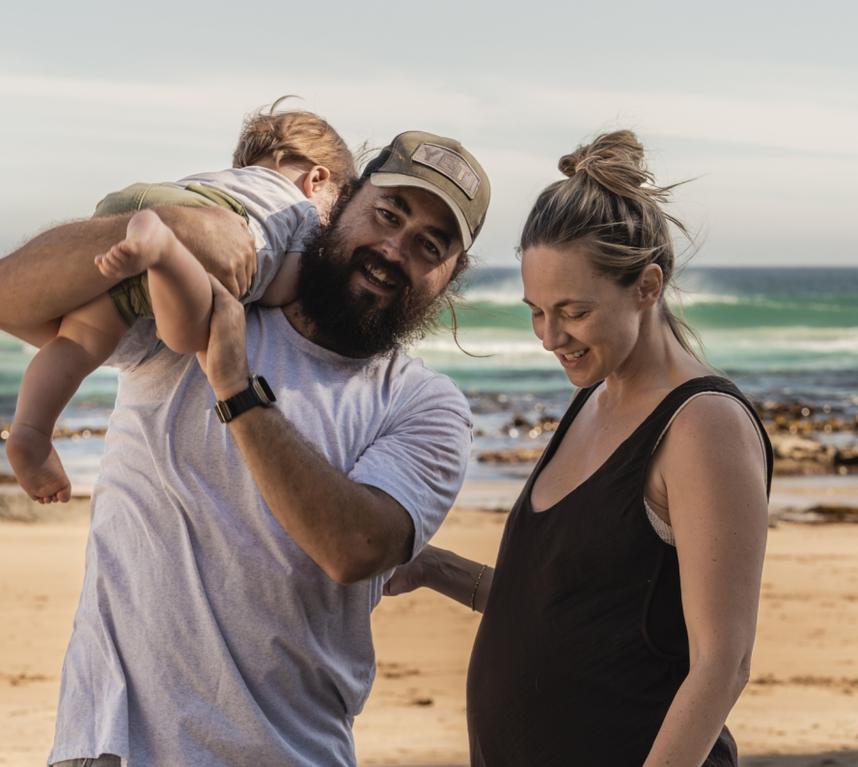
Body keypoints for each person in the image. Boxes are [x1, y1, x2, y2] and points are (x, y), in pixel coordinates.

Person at [0, 129, 490, 766]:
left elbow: (355, 547)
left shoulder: (425, 405)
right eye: (388, 213)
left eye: (431, 245)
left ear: (451, 277)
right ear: (341, 204)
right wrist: (176, 226)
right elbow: (13, 295)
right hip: (116, 746)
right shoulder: (207, 299)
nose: (394, 250)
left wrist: (235, 385)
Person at [385, 130, 773, 766]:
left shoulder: (703, 426)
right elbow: (569, 609)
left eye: (573, 311)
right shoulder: (592, 399)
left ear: (647, 287)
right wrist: (434, 567)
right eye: (536, 311)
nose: (549, 337)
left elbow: (723, 664)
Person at [6, 97, 353, 503]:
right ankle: (162, 252)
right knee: (186, 334)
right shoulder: (301, 209)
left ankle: (31, 430)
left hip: (141, 201)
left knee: (78, 340)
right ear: (317, 179)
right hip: (204, 225)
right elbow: (280, 289)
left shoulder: (220, 177)